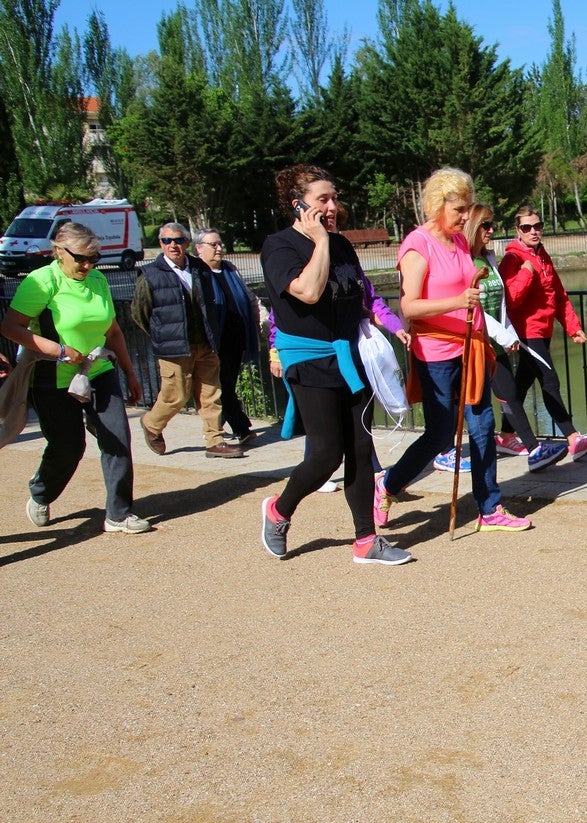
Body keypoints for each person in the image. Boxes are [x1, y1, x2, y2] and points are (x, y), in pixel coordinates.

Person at [258, 163, 411, 565]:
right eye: (322, 199)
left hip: (349, 355)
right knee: (325, 455)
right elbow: (308, 292)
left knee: (360, 449)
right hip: (308, 358)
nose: (332, 205)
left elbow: (360, 298)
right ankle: (279, 510)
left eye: (334, 197)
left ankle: (365, 540)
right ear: (298, 207)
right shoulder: (279, 246)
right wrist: (321, 241)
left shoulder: (342, 245)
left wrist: (388, 328)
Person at [375, 167, 532, 533]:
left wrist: (474, 285)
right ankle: (387, 484)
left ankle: (489, 507)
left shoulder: (460, 241)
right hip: (436, 355)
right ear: (436, 204)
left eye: (467, 208)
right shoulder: (417, 244)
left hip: (471, 348)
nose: (466, 217)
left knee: (483, 426)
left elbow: (466, 284)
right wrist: (456, 300)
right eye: (459, 209)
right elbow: (408, 308)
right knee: (440, 435)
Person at [2, 221, 149, 534]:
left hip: (98, 369)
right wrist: (58, 350)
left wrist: (129, 371)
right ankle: (41, 492)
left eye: (93, 258)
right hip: (51, 376)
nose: (88, 264)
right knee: (69, 447)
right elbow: (10, 327)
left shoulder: (97, 280)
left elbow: (112, 330)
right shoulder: (41, 281)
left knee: (118, 439)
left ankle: (119, 515)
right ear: (58, 251)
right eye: (81, 258)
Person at [497, 205, 587, 461]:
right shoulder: (513, 259)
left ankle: (505, 436)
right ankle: (572, 438)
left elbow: (558, 294)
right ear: (517, 230)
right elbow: (511, 299)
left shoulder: (542, 254)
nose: (534, 231)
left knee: (521, 383)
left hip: (543, 331)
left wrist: (573, 326)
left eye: (538, 226)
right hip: (526, 332)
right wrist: (525, 272)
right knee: (549, 381)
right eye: (527, 227)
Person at [469, 202, 568, 472]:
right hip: (472, 342)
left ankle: (533, 449)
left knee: (510, 392)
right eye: (485, 226)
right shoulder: (464, 261)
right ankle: (447, 451)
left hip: (495, 342)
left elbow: (501, 303)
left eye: (491, 225)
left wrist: (507, 334)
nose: (490, 230)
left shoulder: (488, 258)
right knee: (466, 402)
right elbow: (474, 308)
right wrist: (504, 334)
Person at [132, 222, 242, 458]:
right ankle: (151, 424)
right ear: (161, 244)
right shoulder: (150, 274)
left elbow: (208, 303)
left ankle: (215, 441)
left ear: (187, 243)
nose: (173, 245)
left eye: (179, 240)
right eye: (167, 241)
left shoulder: (199, 268)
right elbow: (139, 313)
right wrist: (162, 335)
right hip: (174, 348)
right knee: (176, 396)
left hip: (205, 343)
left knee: (212, 393)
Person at [195, 228, 261, 446]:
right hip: (214, 342)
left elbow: (249, 299)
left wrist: (264, 324)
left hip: (237, 339)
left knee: (227, 384)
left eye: (220, 243)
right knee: (222, 385)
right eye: (213, 245)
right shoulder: (198, 273)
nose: (219, 248)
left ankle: (217, 425)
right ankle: (241, 428)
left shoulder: (230, 270)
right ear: (199, 248)